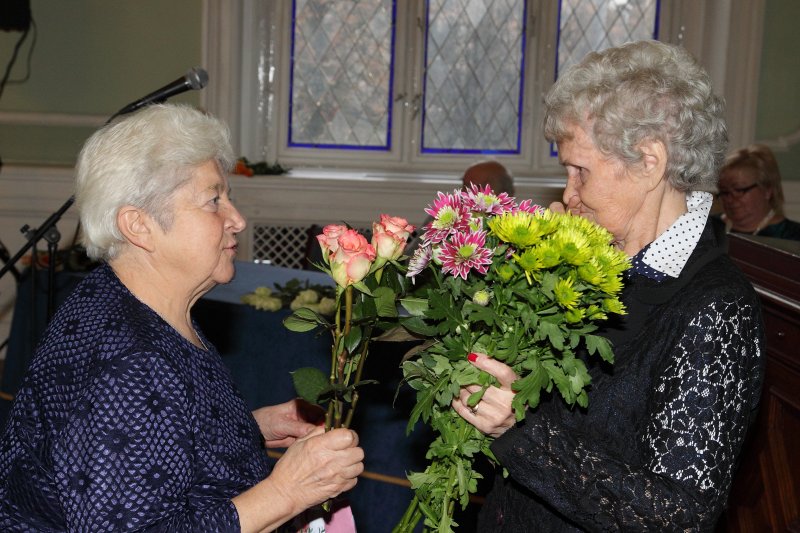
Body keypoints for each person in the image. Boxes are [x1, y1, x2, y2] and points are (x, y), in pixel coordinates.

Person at [0, 104, 364, 531]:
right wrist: (287, 492)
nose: (237, 219)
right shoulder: (126, 362)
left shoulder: (124, 298)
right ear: (139, 226)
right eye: (213, 200)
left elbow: (142, 440)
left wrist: (246, 430)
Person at [451, 40, 765, 531]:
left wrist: (520, 431)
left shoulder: (717, 309)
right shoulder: (590, 259)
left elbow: (675, 517)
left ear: (649, 162)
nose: (568, 194)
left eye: (580, 171)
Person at [717, 143, 800, 240]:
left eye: (739, 190)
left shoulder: (793, 236)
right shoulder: (706, 228)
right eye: (724, 192)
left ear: (767, 190)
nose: (730, 199)